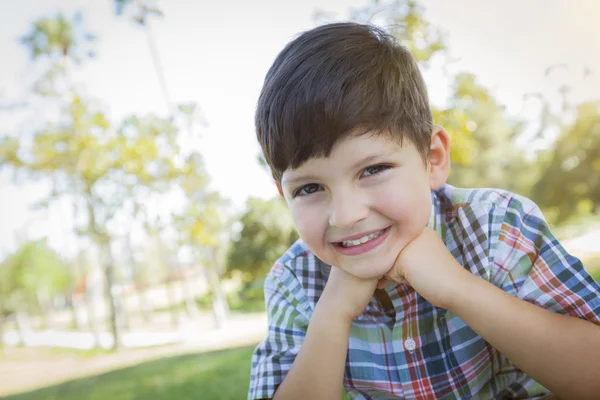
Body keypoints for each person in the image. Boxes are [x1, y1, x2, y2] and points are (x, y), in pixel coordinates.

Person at [247, 22, 600, 400]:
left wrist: (458, 288)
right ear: (285, 196)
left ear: (432, 159)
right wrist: (332, 314)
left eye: (373, 170)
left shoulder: (497, 225)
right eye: (310, 188)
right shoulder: (295, 280)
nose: (346, 216)